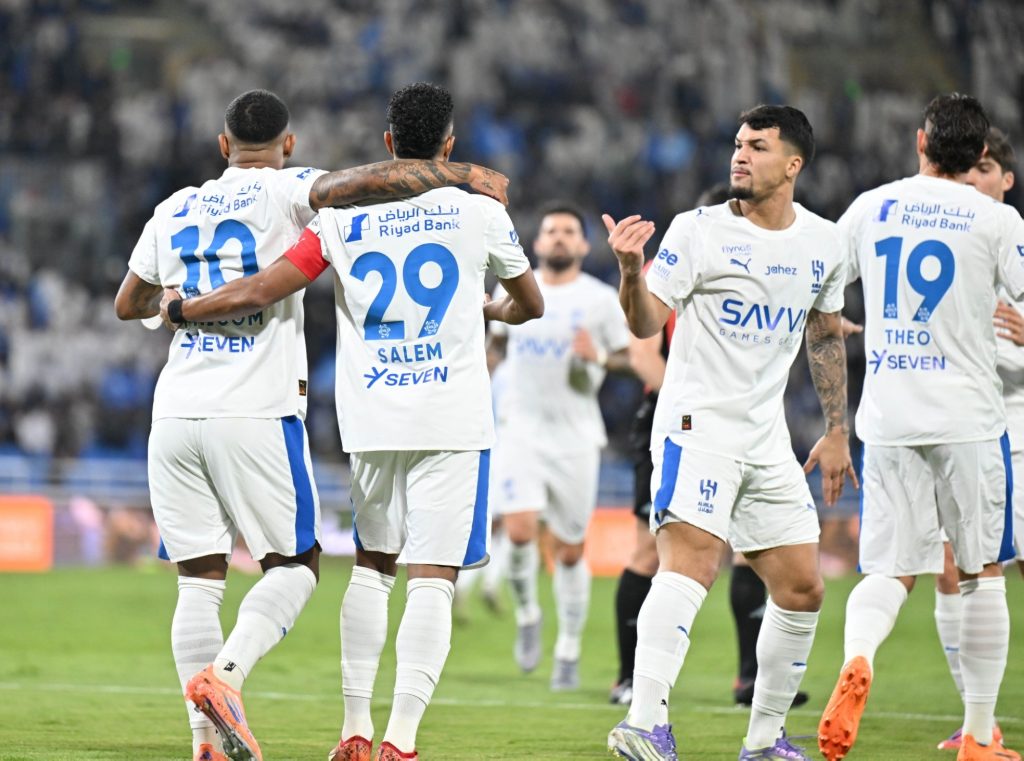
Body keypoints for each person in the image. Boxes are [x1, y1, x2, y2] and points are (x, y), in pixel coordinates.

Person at [115, 88, 510, 761]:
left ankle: (204, 745)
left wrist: (176, 305)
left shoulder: (173, 207)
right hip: (255, 408)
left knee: (199, 581)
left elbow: (129, 303)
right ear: (289, 144)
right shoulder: (290, 188)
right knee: (296, 565)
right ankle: (228, 675)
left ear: (222, 144)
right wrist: (462, 172)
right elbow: (365, 183)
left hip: (174, 409)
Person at [604, 104, 856, 761]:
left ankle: (765, 739)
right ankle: (644, 722)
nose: (740, 155)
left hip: (765, 436)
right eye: (738, 144)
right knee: (690, 564)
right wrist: (630, 272)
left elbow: (824, 335)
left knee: (802, 586)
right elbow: (644, 322)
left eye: (758, 146)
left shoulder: (825, 242)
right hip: (696, 425)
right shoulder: (699, 230)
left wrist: (837, 429)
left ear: (794, 164)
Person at [818, 95, 1024, 761]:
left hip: (889, 416)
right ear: (979, 154)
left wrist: (842, 327)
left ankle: (858, 655)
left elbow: (821, 291)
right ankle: (979, 735)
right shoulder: (997, 219)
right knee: (981, 572)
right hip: (969, 418)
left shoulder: (872, 206)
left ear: (920, 143)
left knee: (888, 569)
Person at [487, 201, 632, 689]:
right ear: (537, 242)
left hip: (576, 436)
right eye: (552, 231)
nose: (560, 238)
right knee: (519, 531)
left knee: (570, 552)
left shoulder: (599, 299)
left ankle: (568, 647)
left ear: (584, 245)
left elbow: (628, 358)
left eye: (570, 231)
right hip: (520, 429)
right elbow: (497, 345)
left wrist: (601, 357)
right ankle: (528, 613)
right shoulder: (513, 288)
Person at [924, 126, 1023, 754]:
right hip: (960, 425)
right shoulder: (945, 243)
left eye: (985, 169)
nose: (972, 178)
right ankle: (976, 720)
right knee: (954, 569)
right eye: (967, 168)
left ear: (1006, 179)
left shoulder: (1015, 238)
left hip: (1019, 425)